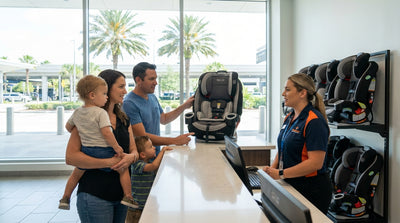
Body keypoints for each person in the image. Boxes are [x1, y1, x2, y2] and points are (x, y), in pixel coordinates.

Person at [65, 69, 139, 223]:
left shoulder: (124, 119)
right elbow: (71, 158)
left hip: (121, 196)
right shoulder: (87, 118)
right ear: (106, 88)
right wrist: (110, 162)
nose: (125, 91)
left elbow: (134, 151)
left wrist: (131, 157)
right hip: (94, 194)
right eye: (121, 87)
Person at [262, 73, 332, 214]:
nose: (283, 93)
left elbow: (315, 163)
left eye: (288, 90)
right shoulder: (289, 117)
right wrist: (271, 171)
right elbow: (282, 148)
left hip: (311, 190)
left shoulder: (314, 121)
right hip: (291, 183)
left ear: (302, 93)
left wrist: (281, 173)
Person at [123, 62, 195, 155]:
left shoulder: (152, 96)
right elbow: (142, 136)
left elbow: (164, 119)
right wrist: (175, 140)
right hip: (143, 161)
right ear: (138, 80)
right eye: (151, 79)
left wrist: (185, 106)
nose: (156, 83)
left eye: (155, 78)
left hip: (155, 155)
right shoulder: (129, 103)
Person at [125, 136, 172, 223]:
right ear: (143, 154)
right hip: (137, 210)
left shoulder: (149, 161)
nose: (154, 148)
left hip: (148, 206)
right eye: (151, 147)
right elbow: (153, 166)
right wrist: (162, 152)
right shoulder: (137, 164)